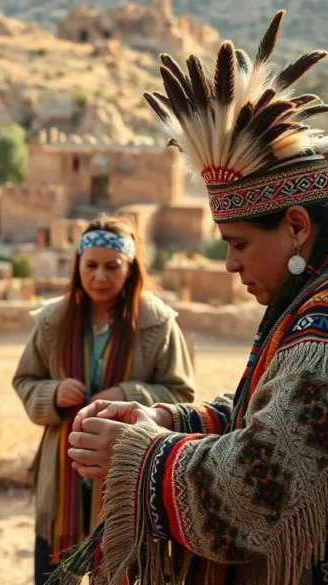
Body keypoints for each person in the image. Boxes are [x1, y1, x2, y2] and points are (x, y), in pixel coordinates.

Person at [56, 10, 328, 585]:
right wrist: (171, 417)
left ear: (296, 226)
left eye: (241, 243)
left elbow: (257, 497)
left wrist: (144, 452)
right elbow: (288, 417)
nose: (231, 263)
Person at [12, 215, 196, 585]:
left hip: (126, 472)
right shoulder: (52, 319)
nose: (100, 276)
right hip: (61, 472)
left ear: (131, 268)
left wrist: (128, 395)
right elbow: (25, 380)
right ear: (77, 265)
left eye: (112, 267)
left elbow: (181, 394)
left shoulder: (156, 322)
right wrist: (53, 392)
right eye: (91, 265)